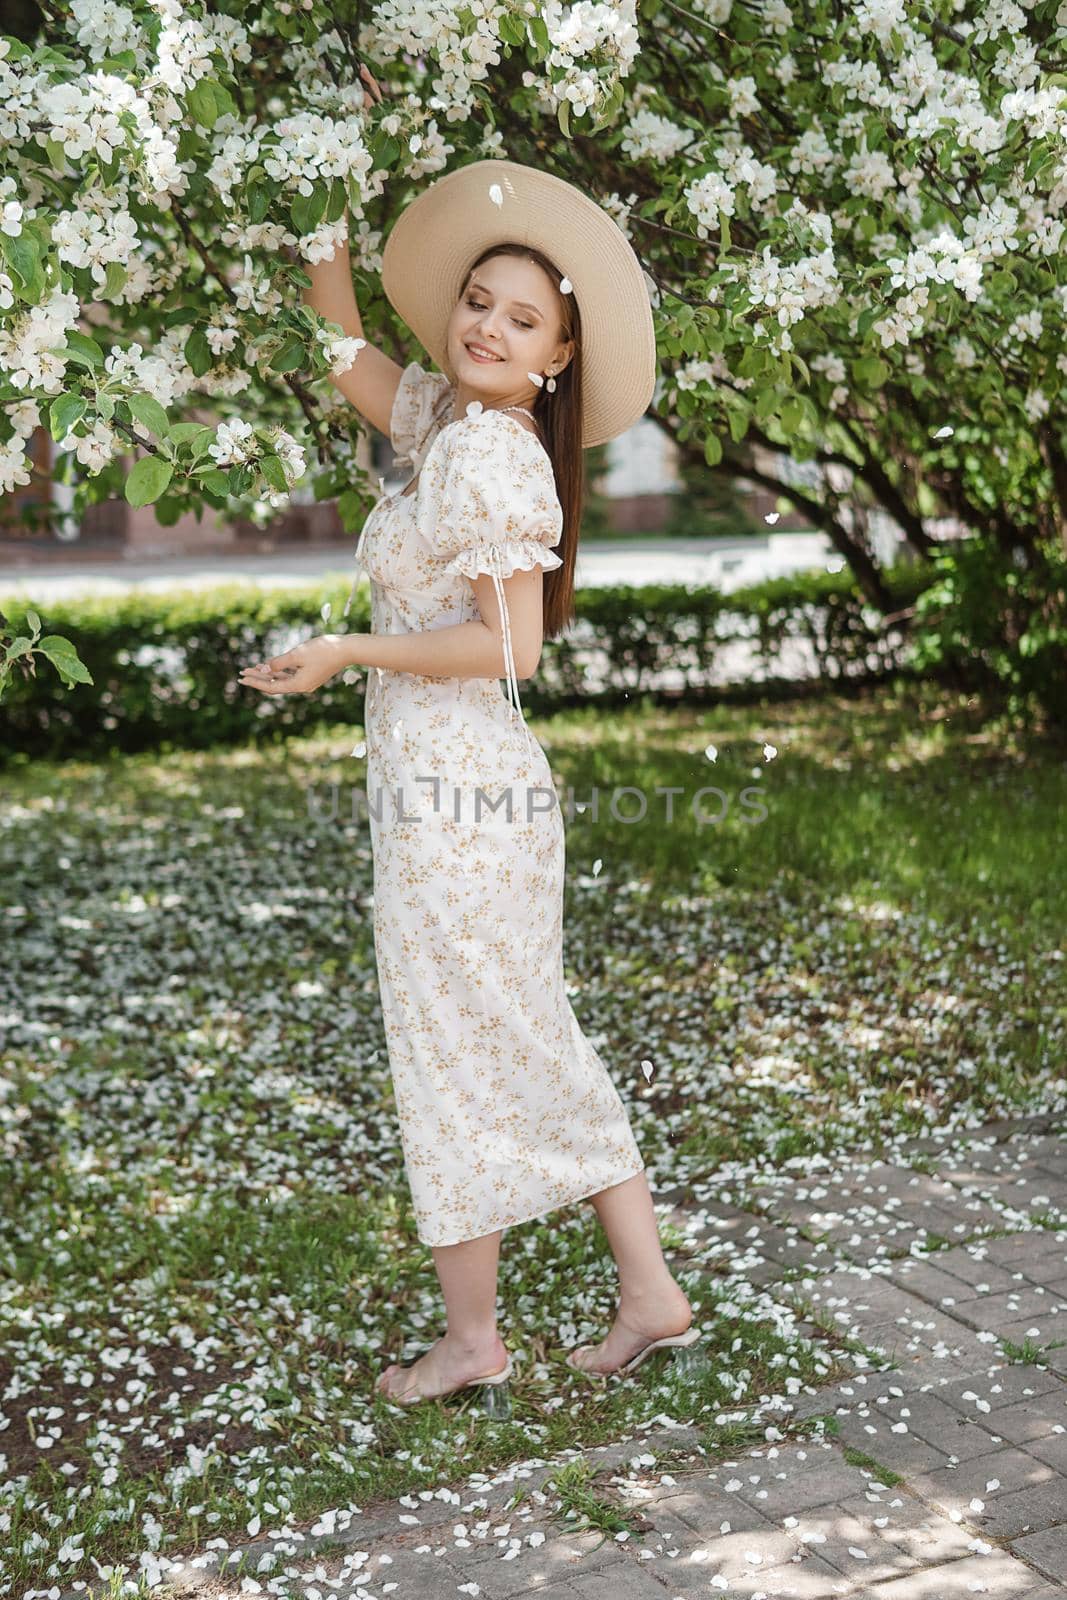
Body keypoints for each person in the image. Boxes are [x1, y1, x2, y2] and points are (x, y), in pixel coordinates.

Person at [240, 70, 700, 1409]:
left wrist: (347, 652)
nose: (489, 325)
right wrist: (322, 196)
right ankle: (647, 1295)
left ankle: (475, 1342)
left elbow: (514, 648)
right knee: (513, 1034)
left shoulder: (497, 457)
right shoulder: (449, 424)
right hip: (450, 794)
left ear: (560, 356)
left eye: (523, 317)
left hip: (461, 799)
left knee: (456, 1045)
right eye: (477, 302)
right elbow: (338, 353)